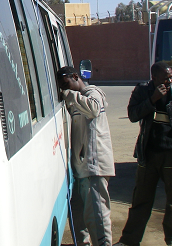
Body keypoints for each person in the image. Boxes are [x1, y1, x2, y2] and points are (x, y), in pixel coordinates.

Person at [114, 62, 172, 246]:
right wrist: (152, 100)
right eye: (165, 78)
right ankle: (129, 241)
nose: (169, 81)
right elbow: (133, 115)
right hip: (148, 154)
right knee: (141, 200)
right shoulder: (142, 91)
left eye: (171, 77)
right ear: (154, 78)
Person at [57, 66, 115, 246]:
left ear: (75, 76)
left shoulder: (92, 93)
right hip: (82, 169)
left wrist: (69, 95)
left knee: (97, 217)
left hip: (94, 168)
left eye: (66, 84)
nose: (64, 89)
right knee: (80, 217)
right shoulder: (77, 99)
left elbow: (94, 109)